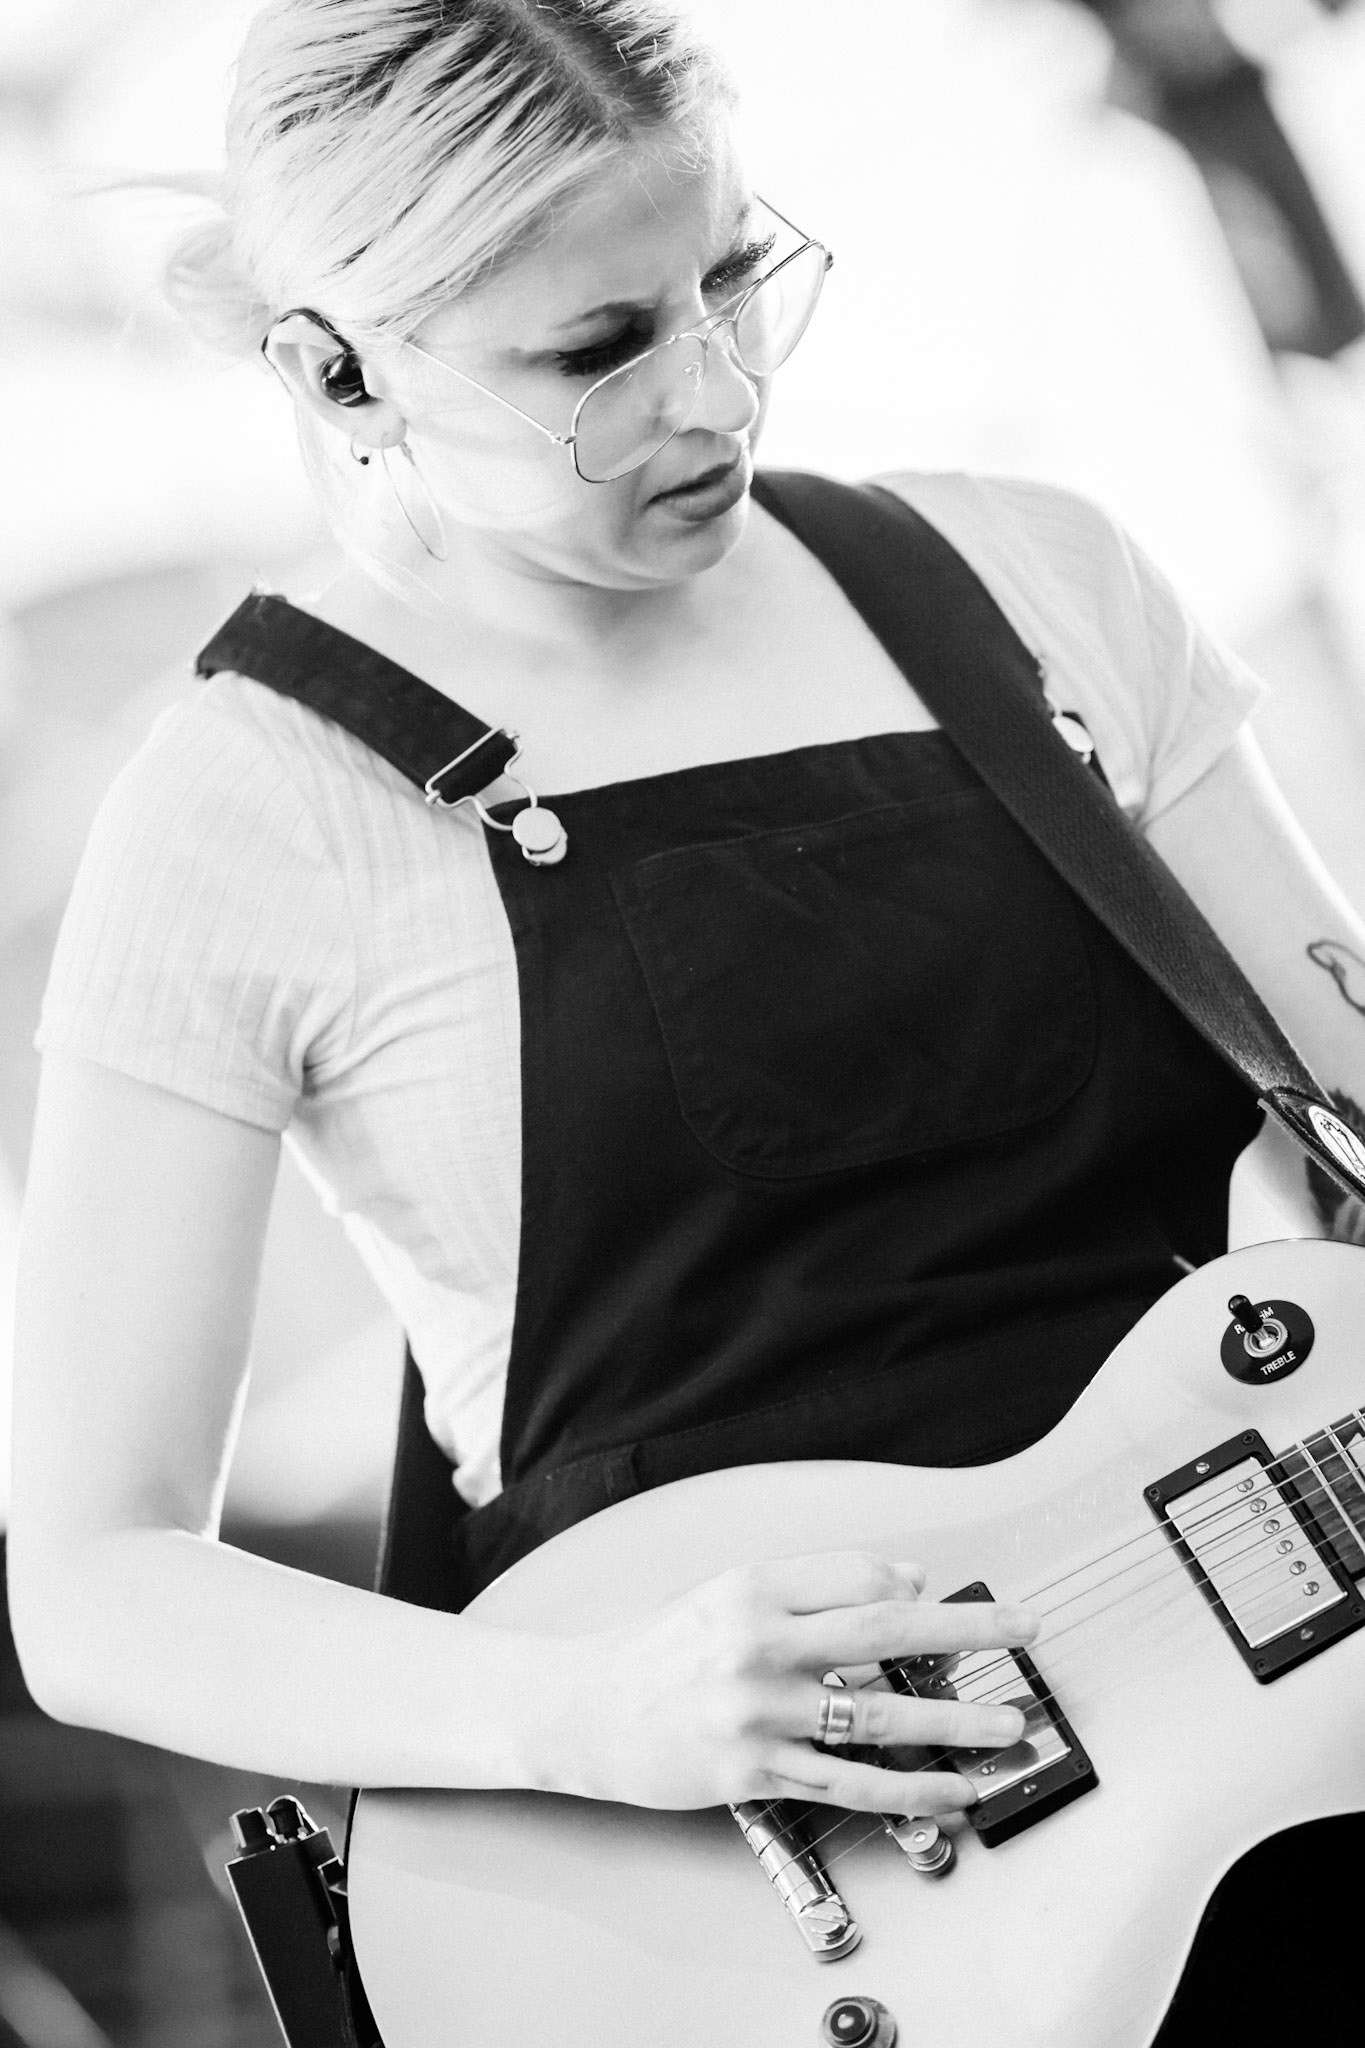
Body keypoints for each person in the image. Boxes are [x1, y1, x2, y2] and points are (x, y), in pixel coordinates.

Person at [7, 1, 1365, 2034]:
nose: (709, 388)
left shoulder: (1039, 590)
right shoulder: (242, 806)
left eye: (729, 274)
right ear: (334, 367)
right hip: (773, 1925)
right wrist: (585, 1710)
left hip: (1288, 1778)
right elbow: (93, 1588)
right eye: (594, 350)